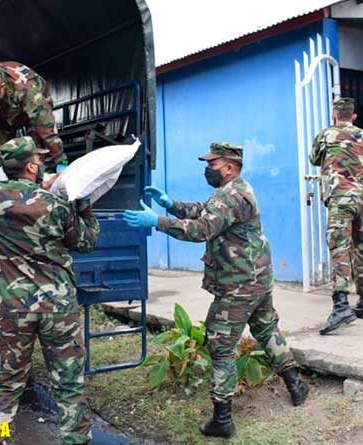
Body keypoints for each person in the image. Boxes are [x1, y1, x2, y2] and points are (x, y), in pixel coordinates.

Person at [123, 142, 309, 439]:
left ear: (229, 167)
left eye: (212, 163)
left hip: (239, 284)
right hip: (256, 277)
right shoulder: (231, 191)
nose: (207, 168)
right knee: (265, 328)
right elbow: (204, 211)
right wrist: (171, 204)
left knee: (220, 345)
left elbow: (201, 229)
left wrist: (157, 222)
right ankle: (296, 384)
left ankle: (222, 419)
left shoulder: (233, 195)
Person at [0, 136, 98, 445]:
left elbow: (9, 191)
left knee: (5, 382)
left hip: (10, 305)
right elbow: (86, 241)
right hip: (56, 305)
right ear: (32, 165)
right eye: (38, 158)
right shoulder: (55, 205)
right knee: (69, 382)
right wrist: (80, 199)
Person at [309, 98, 363, 335]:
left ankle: (341, 305)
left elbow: (313, 159)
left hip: (339, 199)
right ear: (353, 117)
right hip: (362, 198)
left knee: (339, 248)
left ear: (334, 116)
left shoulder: (325, 135)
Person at [0, 62, 65, 195]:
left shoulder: (26, 86)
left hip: (33, 111)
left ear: (2, 86)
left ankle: (37, 192)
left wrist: (61, 159)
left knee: (34, 150)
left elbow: (45, 126)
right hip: (2, 113)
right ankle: (0, 190)